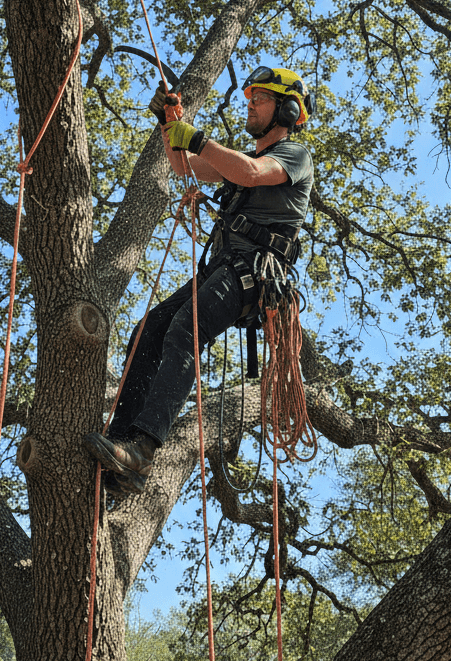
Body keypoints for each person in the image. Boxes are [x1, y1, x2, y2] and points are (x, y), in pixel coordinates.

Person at [84, 66, 316, 494]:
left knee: (186, 328)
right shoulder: (237, 162)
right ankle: (120, 445)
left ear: (286, 110)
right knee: (149, 330)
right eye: (249, 97)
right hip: (220, 269)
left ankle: (144, 447)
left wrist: (197, 137)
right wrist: (169, 125)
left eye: (259, 99)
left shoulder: (293, 156)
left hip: (253, 274)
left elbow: (249, 172)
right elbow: (184, 167)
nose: (249, 104)